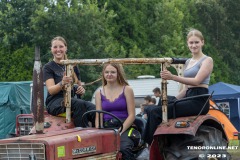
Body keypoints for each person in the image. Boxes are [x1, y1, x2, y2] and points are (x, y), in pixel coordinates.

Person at [143, 28, 213, 145]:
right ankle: (158, 139)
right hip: (188, 96)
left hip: (199, 100)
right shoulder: (188, 62)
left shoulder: (207, 60)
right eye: (191, 43)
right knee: (156, 106)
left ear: (202, 42)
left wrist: (172, 77)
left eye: (196, 42)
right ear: (187, 44)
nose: (194, 45)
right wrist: (173, 100)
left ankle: (148, 145)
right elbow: (186, 89)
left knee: (156, 112)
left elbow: (196, 81)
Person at [43, 36, 95, 127]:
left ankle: (100, 130)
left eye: (61, 46)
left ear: (66, 48)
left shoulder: (73, 65)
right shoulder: (48, 67)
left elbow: (80, 87)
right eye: (55, 47)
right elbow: (51, 90)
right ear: (51, 49)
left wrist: (81, 89)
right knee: (79, 104)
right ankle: (82, 132)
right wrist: (62, 83)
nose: (58, 49)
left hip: (73, 99)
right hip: (55, 102)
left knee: (93, 108)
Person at [95, 63, 136, 160]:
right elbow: (98, 116)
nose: (109, 74)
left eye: (113, 72)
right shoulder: (99, 92)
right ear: (103, 74)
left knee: (123, 149)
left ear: (118, 74)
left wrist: (119, 131)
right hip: (107, 127)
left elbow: (132, 115)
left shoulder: (127, 89)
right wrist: (98, 132)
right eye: (107, 72)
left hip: (124, 127)